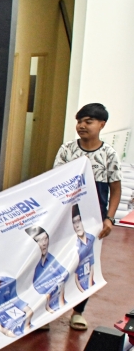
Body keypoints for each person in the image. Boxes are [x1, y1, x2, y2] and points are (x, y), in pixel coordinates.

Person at [52, 103, 121, 331]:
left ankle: (77, 312)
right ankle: (49, 311)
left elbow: (115, 189)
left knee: (85, 264)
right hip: (65, 218)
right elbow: (55, 183)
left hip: (93, 222)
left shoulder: (108, 155)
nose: (82, 126)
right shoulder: (67, 150)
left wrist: (109, 218)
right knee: (57, 262)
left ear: (102, 125)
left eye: (88, 121)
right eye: (79, 121)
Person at [24, 226, 69, 313]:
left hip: (58, 303)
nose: (44, 243)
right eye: (39, 240)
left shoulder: (51, 258)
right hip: (39, 309)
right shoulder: (31, 266)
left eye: (45, 239)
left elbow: (65, 274)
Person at [71, 204, 97, 295]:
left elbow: (92, 265)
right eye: (74, 222)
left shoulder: (91, 238)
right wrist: (84, 292)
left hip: (90, 282)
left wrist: (90, 286)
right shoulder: (74, 246)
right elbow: (75, 276)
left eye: (79, 221)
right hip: (79, 288)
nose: (77, 225)